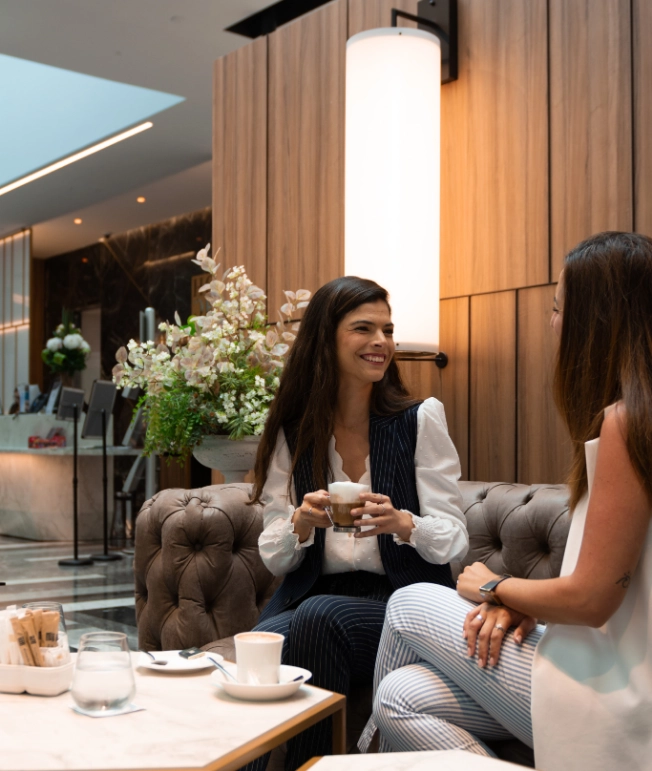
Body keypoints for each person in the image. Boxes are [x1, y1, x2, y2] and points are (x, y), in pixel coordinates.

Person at [361, 231, 652, 771]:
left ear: (597, 322)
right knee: (401, 695)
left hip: (619, 694)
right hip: (611, 666)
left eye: (558, 308)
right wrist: (521, 601)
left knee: (406, 604)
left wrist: (491, 585)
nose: (552, 323)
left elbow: (593, 600)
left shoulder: (628, 422)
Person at [249, 275, 469, 770]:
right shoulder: (294, 428)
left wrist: (403, 524)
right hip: (312, 597)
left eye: (387, 330)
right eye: (364, 329)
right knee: (254, 653)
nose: (381, 343)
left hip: (400, 600)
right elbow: (273, 551)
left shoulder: (419, 419)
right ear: (326, 338)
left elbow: (455, 539)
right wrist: (302, 524)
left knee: (321, 615)